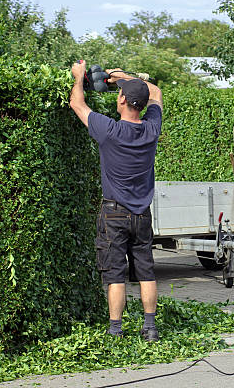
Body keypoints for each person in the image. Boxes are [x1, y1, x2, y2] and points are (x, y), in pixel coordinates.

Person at [70, 60, 162, 342]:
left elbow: (77, 103)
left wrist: (77, 77)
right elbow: (155, 92)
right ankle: (150, 329)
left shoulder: (108, 130)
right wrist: (124, 78)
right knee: (146, 271)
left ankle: (116, 331)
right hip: (142, 214)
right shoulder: (151, 129)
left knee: (115, 275)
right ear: (142, 106)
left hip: (113, 214)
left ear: (121, 100)